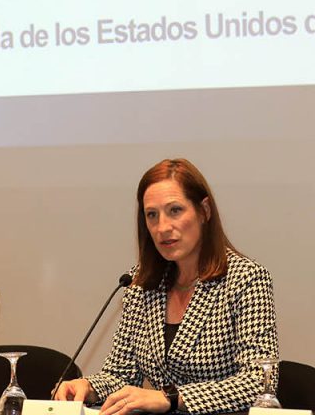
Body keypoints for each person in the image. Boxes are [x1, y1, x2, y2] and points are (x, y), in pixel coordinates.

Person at [55, 158, 279, 415]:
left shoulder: (246, 279)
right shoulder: (141, 283)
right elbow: (121, 374)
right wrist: (88, 386)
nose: (162, 227)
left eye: (175, 210)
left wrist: (171, 398)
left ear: (204, 211)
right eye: (152, 215)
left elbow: (259, 381)